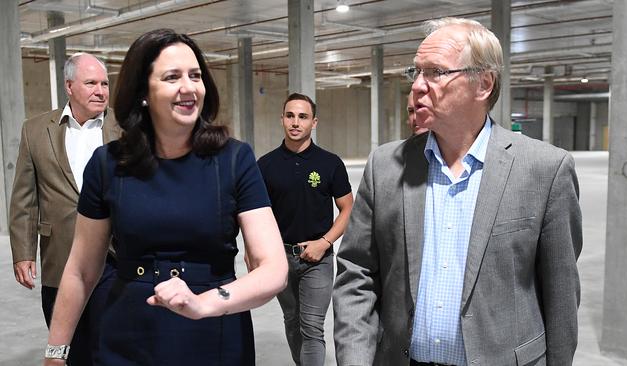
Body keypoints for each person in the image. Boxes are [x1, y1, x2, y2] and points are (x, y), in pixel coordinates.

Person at [333, 17, 582, 366]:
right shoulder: (386, 166)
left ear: (483, 84)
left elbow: (561, 298)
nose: (418, 86)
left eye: (435, 72)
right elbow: (356, 274)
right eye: (415, 72)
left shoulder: (545, 170)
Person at [43, 29, 287, 366]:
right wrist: (56, 352)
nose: (188, 87)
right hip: (127, 334)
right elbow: (81, 270)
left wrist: (204, 305)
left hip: (214, 334)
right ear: (143, 91)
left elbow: (273, 267)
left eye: (195, 75)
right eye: (172, 77)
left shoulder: (234, 159)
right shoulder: (108, 164)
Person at [10, 52, 121, 365]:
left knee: (109, 344)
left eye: (104, 83)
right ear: (69, 86)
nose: (100, 90)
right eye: (91, 83)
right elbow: (24, 196)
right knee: (69, 346)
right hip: (60, 256)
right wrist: (23, 251)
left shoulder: (125, 127)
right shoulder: (35, 130)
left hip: (115, 254)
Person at [257, 93, 353, 366]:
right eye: (290, 116)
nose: (295, 122)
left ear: (314, 122)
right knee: (292, 320)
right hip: (280, 259)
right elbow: (257, 215)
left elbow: (348, 208)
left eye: (302, 116)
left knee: (311, 326)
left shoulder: (330, 163)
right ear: (282, 120)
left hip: (318, 260)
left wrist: (324, 242)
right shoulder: (265, 165)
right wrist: (260, 254)